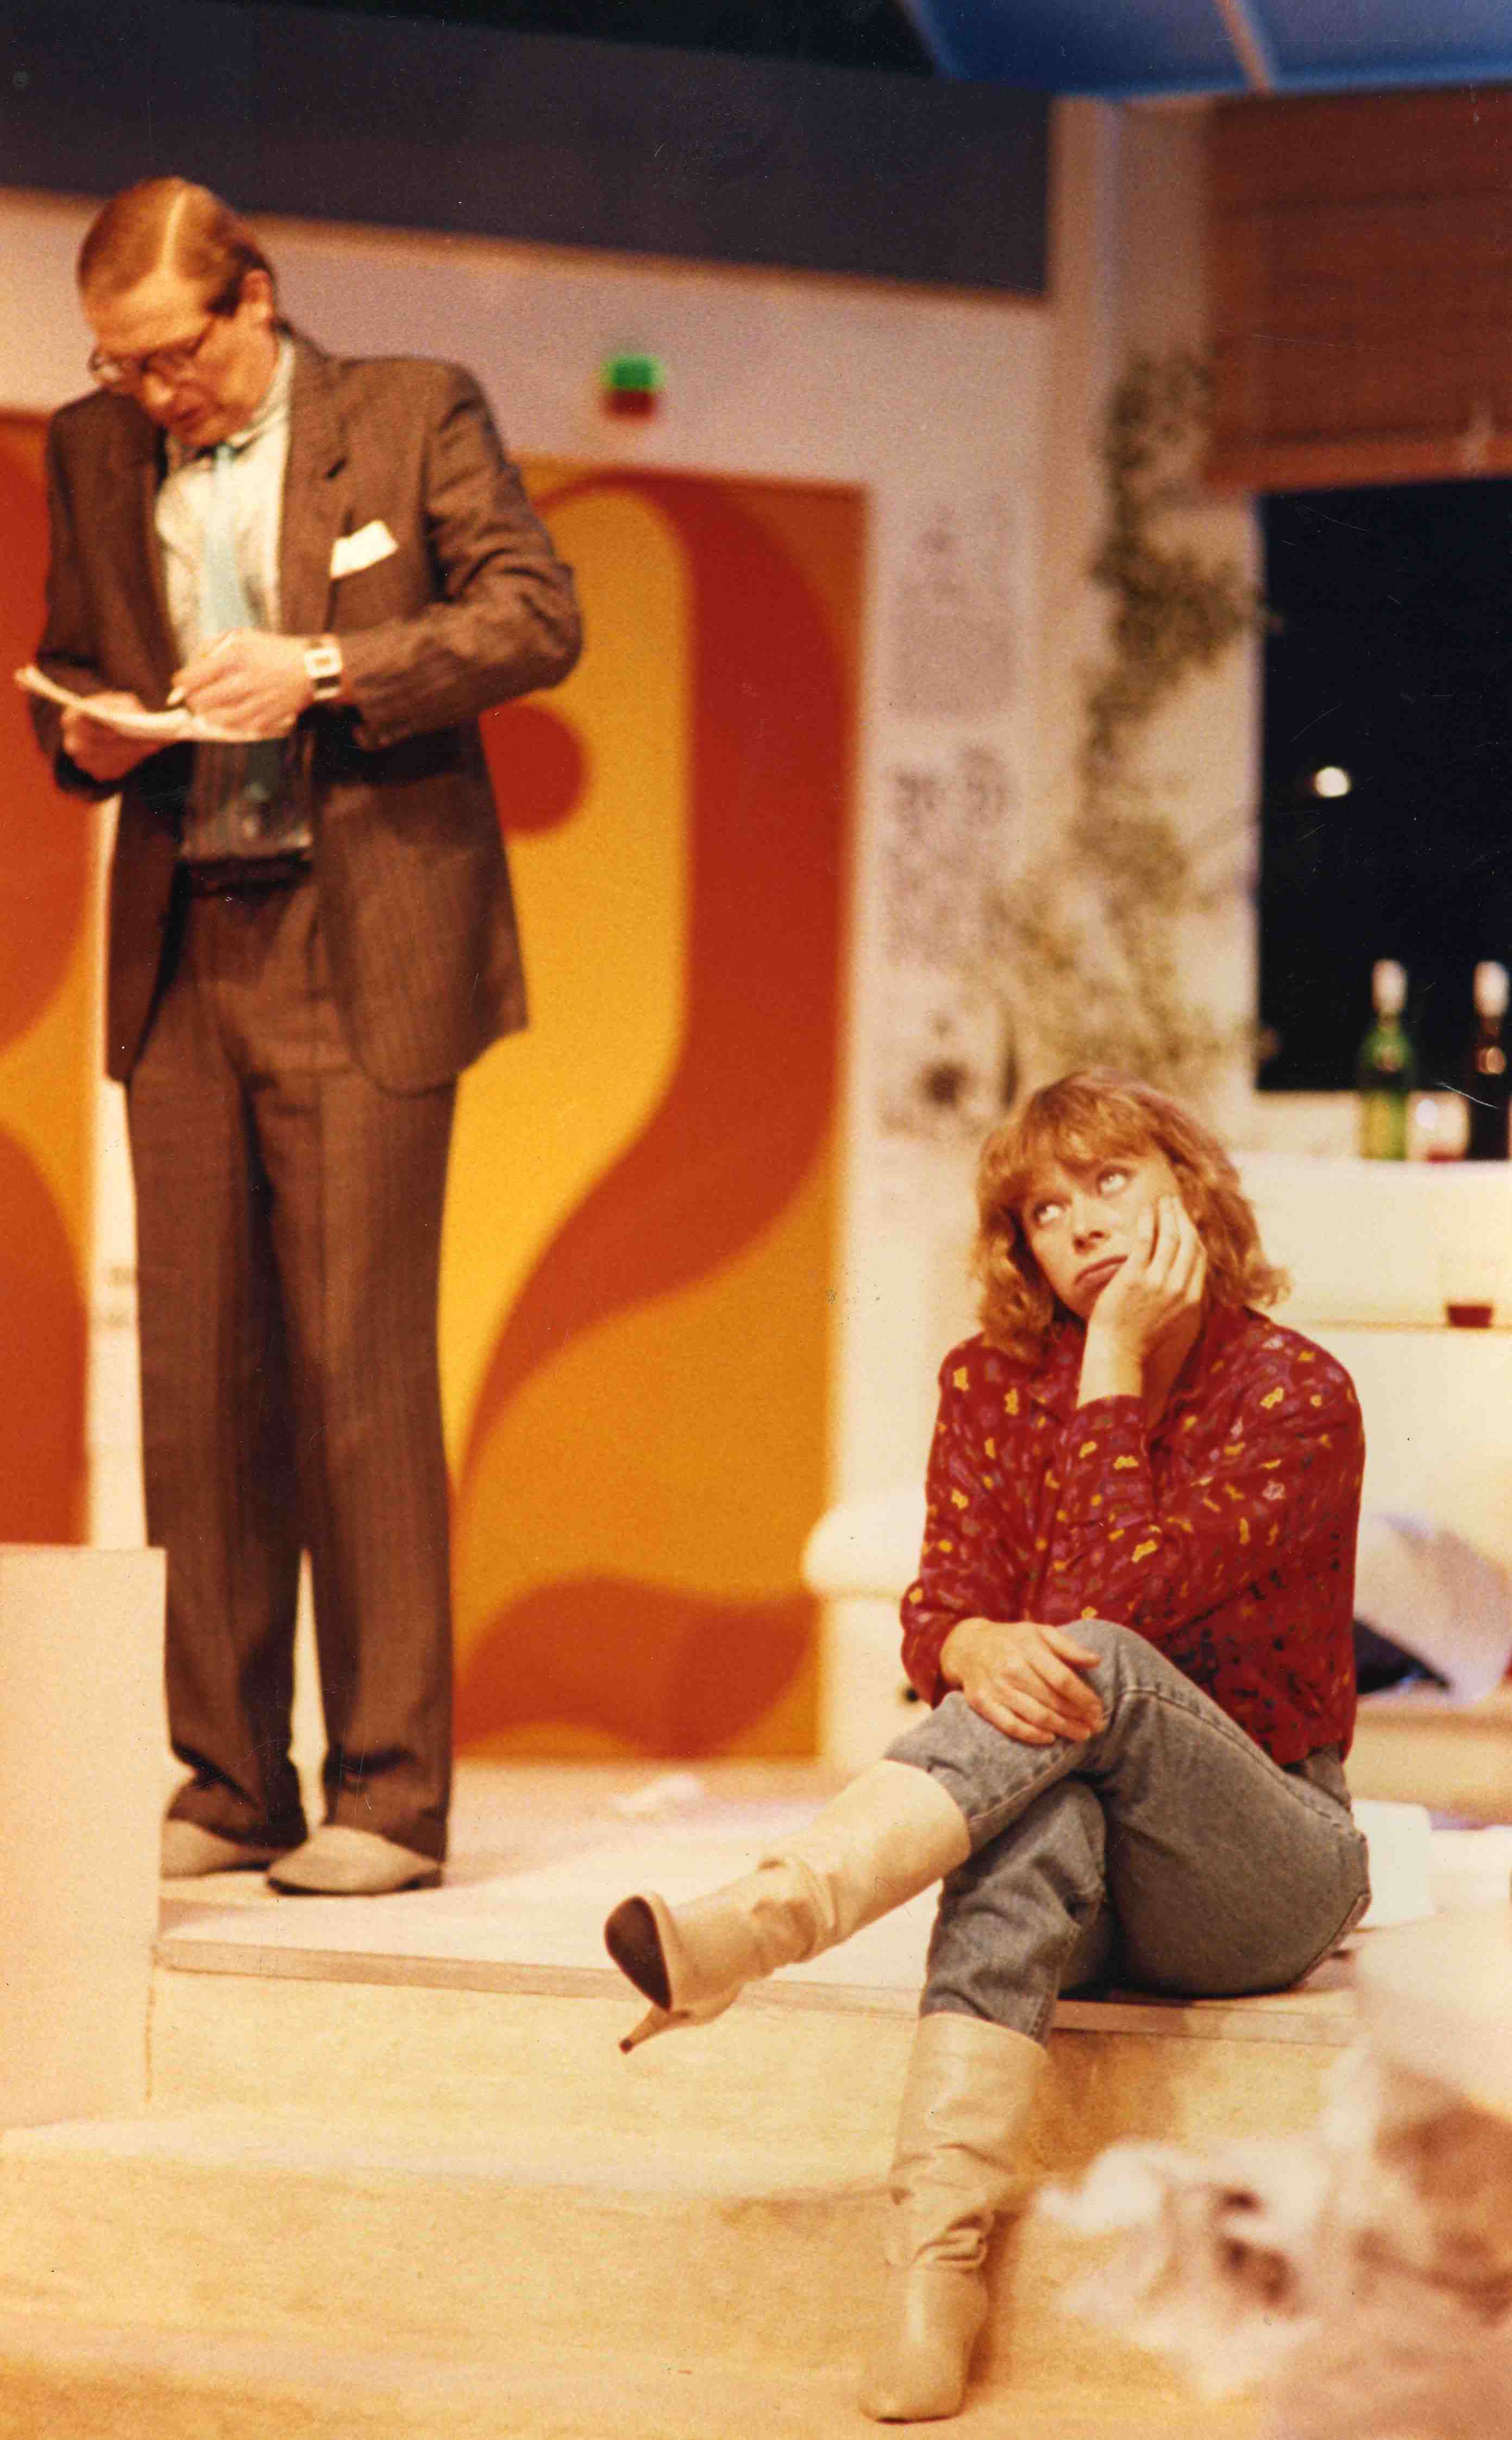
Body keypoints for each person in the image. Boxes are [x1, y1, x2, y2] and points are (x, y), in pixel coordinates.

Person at [604, 1069, 1371, 2422]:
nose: (1080, 1225)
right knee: (1038, 1822)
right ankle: (932, 2277)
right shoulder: (991, 1383)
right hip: (1089, 1860)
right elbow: (942, 1606)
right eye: (1045, 1211)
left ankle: (769, 1921)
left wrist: (1113, 1365)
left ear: (1191, 1189)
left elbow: (1111, 1609)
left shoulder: (1294, 1392)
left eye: (1111, 1182)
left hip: (1266, 1861)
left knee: (1097, 1664)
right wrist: (965, 1646)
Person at [30, 179, 581, 1895]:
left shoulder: (408, 411)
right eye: (118, 365)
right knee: (194, 1382)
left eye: (172, 358)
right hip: (184, 936)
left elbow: (536, 615)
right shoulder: (94, 450)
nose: (150, 394)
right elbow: (71, 660)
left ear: (254, 301)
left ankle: (391, 1795)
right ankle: (229, 1777)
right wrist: (89, 741)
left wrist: (324, 670)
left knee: (355, 1368)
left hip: (361, 941)